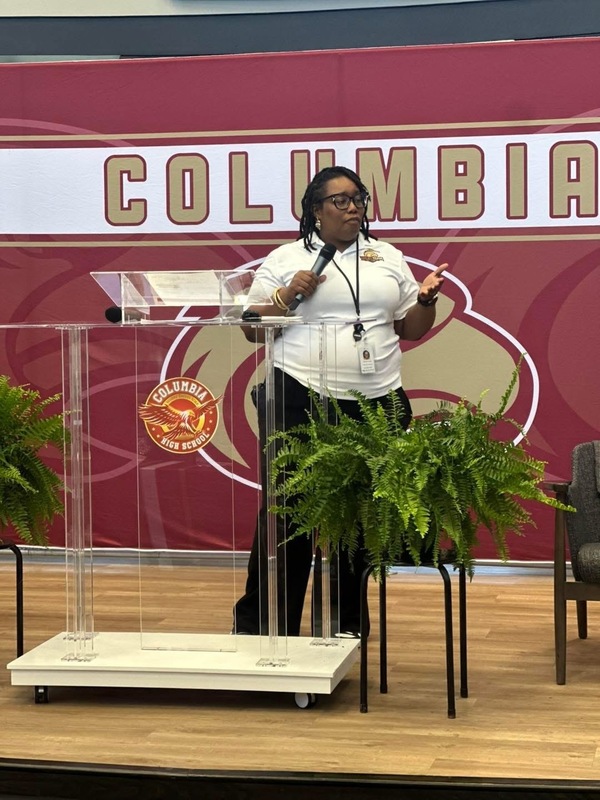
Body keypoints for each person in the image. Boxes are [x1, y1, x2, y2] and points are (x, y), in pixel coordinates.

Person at [233, 165, 446, 638]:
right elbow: (250, 327)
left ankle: (345, 625)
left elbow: (408, 328)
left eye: (359, 199)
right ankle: (264, 625)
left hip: (376, 401)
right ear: (315, 210)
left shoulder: (386, 257)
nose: (353, 208)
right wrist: (287, 294)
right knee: (290, 512)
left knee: (358, 516)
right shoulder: (287, 258)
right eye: (341, 200)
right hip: (299, 394)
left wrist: (427, 302)